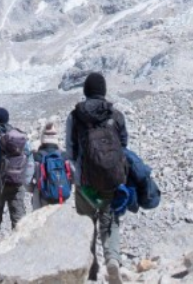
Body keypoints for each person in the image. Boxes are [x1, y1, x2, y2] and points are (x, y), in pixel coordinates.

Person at [66, 72, 129, 284]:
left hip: (85, 181)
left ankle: (91, 270)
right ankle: (112, 259)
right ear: (103, 91)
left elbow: (70, 149)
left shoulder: (76, 116)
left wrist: (79, 171)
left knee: (86, 224)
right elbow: (124, 146)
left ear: (85, 91)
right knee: (109, 220)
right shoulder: (116, 114)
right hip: (112, 179)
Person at [0, 107, 33, 243]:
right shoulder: (19, 136)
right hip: (17, 182)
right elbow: (28, 155)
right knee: (18, 216)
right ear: (7, 119)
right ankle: (19, 247)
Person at [30, 120, 73, 209]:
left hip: (41, 197)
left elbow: (26, 178)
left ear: (42, 137)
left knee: (42, 222)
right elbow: (73, 176)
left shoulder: (36, 156)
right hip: (61, 195)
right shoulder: (64, 155)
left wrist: (34, 189)